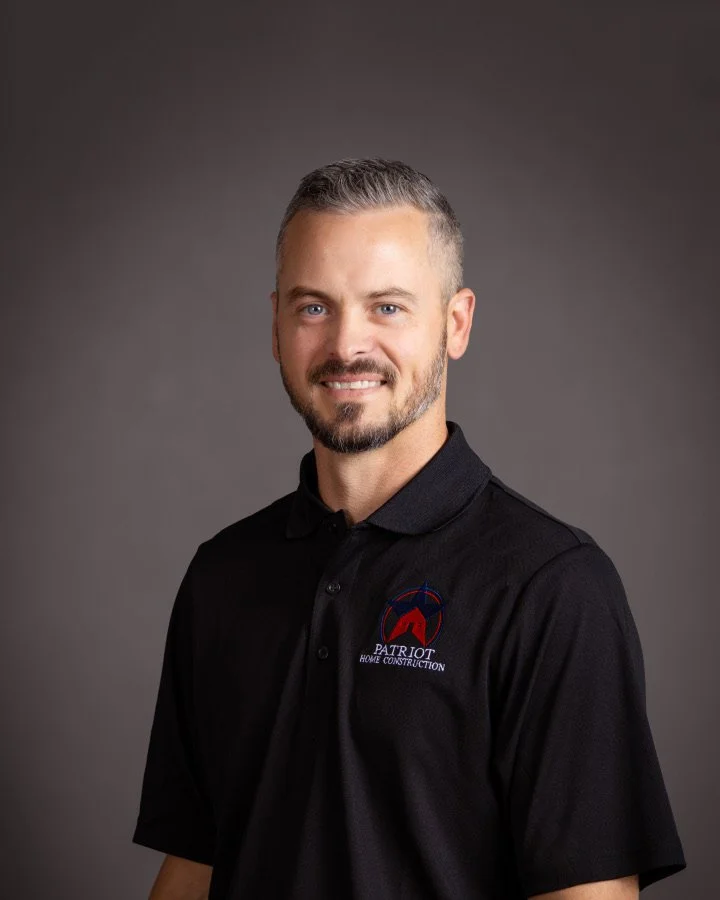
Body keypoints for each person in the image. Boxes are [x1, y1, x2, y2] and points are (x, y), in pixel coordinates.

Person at [132, 158, 686, 899]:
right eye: (313, 307)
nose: (346, 345)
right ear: (275, 326)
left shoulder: (553, 588)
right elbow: (195, 867)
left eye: (387, 307)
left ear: (456, 323)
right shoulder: (221, 576)